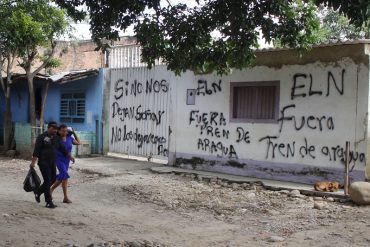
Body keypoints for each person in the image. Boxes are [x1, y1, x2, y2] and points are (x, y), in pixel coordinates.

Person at [31, 121, 75, 209]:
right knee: (47, 181)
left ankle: (38, 192)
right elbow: (36, 150)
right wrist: (33, 163)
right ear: (48, 128)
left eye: (56, 129)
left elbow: (62, 148)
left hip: (52, 162)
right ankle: (48, 201)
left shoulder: (56, 138)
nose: (55, 130)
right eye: (53, 128)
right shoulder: (42, 137)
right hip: (43, 162)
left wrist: (69, 156)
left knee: (53, 179)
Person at [50, 125, 80, 203]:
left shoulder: (70, 138)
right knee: (64, 174)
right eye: (63, 131)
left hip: (67, 160)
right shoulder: (56, 139)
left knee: (64, 177)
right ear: (59, 131)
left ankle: (65, 197)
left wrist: (74, 133)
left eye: (66, 131)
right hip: (58, 158)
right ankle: (51, 189)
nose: (65, 132)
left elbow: (78, 142)